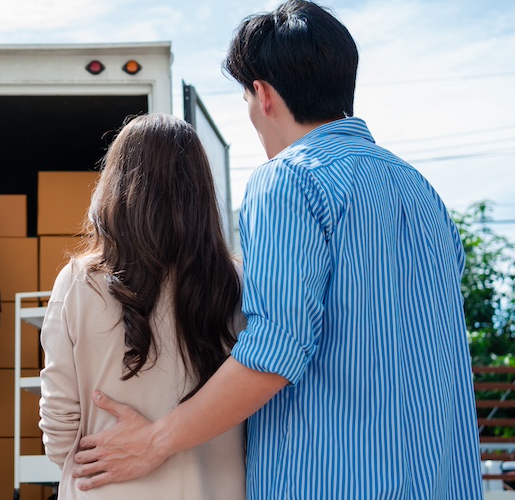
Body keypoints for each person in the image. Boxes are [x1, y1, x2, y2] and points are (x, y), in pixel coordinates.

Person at [70, 1, 484, 498]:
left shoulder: (287, 180)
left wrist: (156, 441)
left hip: (329, 481)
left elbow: (275, 350)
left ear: (262, 95)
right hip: (439, 481)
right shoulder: (420, 190)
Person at [38, 113, 247, 499]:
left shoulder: (79, 282)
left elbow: (59, 427)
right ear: (201, 191)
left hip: (107, 487)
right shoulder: (240, 283)